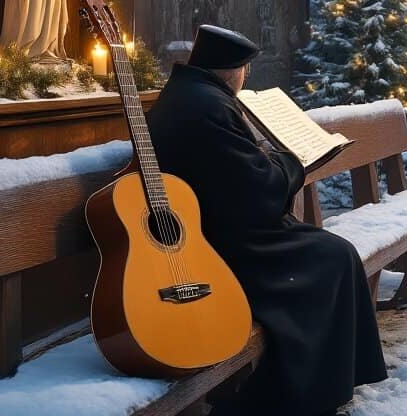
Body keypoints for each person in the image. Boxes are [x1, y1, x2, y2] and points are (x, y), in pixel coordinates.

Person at [147, 25, 387, 416]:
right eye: (245, 70)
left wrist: (268, 161)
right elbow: (258, 191)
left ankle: (319, 382)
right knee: (332, 258)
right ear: (233, 71)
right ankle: (296, 391)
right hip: (226, 244)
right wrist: (293, 161)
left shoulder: (192, 95)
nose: (246, 78)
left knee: (334, 253)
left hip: (219, 227)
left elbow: (240, 176)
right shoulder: (208, 105)